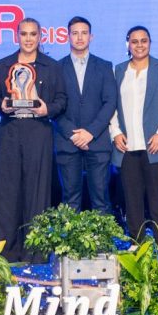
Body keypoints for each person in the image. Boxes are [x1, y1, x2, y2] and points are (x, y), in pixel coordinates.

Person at [0, 18, 67, 263]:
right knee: (8, 191)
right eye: (23, 34)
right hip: (10, 131)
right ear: (17, 36)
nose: (28, 39)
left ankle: (36, 250)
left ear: (40, 37)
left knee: (38, 190)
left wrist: (48, 109)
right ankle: (8, 251)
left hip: (38, 131)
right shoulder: (4, 64)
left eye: (33, 34)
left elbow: (61, 100)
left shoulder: (51, 66)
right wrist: (1, 105)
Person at [109, 26, 158, 240]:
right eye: (134, 41)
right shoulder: (118, 70)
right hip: (127, 146)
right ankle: (137, 241)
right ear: (128, 44)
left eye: (144, 40)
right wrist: (115, 132)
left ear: (149, 43)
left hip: (155, 145)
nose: (139, 45)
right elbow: (111, 105)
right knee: (132, 199)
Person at [54, 16, 116, 213]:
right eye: (75, 33)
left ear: (91, 37)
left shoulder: (104, 66)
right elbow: (54, 106)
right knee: (70, 200)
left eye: (84, 33)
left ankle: (103, 235)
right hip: (67, 141)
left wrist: (90, 132)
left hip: (97, 141)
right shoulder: (56, 68)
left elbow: (110, 102)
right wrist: (73, 134)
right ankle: (70, 236)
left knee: (101, 200)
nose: (79, 37)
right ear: (67, 37)